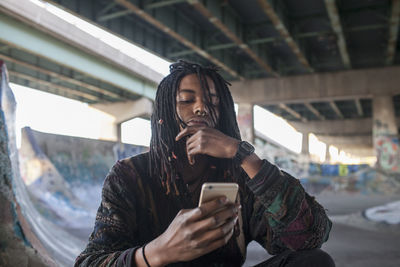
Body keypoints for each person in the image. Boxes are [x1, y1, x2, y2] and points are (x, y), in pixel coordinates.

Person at [75, 60, 335, 267]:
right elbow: (91, 262)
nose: (201, 109)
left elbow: (309, 236)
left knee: (315, 262)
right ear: (165, 112)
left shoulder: (239, 175)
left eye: (212, 101)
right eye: (186, 101)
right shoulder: (130, 175)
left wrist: (243, 154)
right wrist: (156, 252)